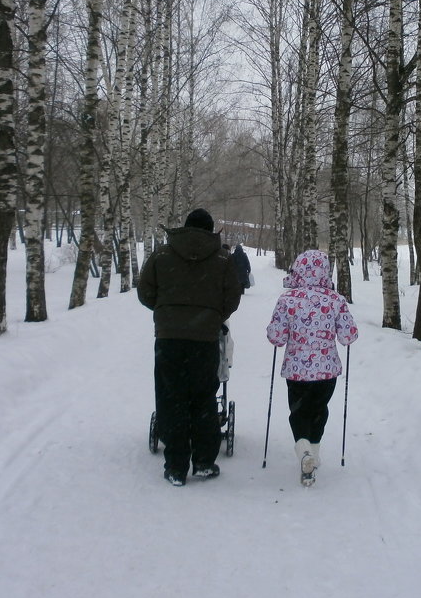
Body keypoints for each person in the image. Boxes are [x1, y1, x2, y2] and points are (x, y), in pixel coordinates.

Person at [138, 208, 242, 486]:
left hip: (169, 338)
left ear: (185, 227)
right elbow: (232, 296)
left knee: (171, 397)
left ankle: (175, 465)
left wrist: (166, 311)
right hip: (205, 339)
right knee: (203, 397)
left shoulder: (162, 254)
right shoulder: (222, 258)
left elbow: (145, 291)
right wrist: (212, 316)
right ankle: (204, 461)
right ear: (210, 231)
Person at [265, 249, 358, 486]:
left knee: (298, 411)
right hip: (327, 371)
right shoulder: (336, 300)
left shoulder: (288, 299)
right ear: (325, 271)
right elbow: (348, 337)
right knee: (319, 410)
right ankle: (313, 456)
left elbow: (276, 337)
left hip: (297, 370)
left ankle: (304, 451)